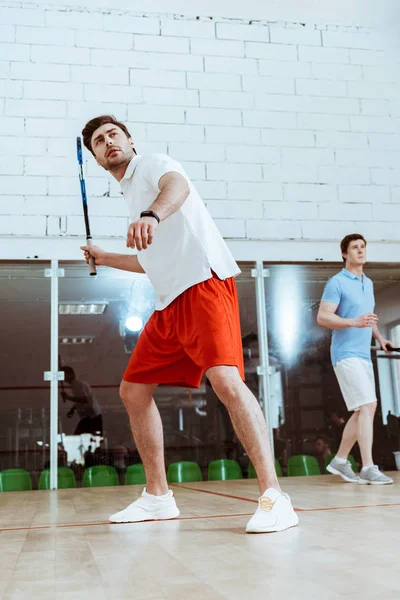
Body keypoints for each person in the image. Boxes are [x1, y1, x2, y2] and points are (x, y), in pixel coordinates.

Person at [79, 114, 298, 533]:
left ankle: (275, 497)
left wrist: (151, 215)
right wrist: (105, 257)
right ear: (95, 157)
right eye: (99, 141)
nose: (108, 142)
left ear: (129, 140)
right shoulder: (129, 192)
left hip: (203, 283)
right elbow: (148, 261)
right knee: (133, 391)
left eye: (113, 134)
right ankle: (159, 497)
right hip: (169, 302)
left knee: (227, 382)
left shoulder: (154, 166)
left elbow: (177, 187)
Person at [317, 233, 393, 485]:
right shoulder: (336, 282)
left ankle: (339, 460)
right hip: (345, 354)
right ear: (344, 254)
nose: (361, 251)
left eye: (363, 247)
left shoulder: (367, 282)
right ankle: (368, 467)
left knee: (363, 409)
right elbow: (323, 317)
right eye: (355, 248)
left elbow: (368, 316)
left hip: (363, 355)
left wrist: (381, 339)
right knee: (368, 407)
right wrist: (352, 321)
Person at [61, 366, 103, 436]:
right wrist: (72, 409)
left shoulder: (78, 385)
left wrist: (67, 397)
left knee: (77, 437)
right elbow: (81, 400)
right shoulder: (76, 385)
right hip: (90, 417)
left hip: (92, 417)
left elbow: (84, 400)